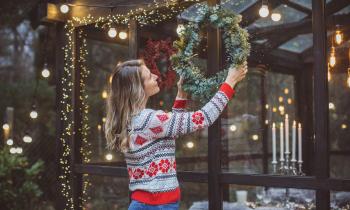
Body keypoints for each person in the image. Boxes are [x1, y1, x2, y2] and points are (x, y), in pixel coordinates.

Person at [105, 59, 247, 210]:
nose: (155, 76)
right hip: (157, 206)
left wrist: (181, 95)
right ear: (138, 88)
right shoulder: (148, 119)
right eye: (149, 76)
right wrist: (230, 81)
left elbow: (169, 129)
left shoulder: (134, 119)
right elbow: (203, 118)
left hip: (148, 204)